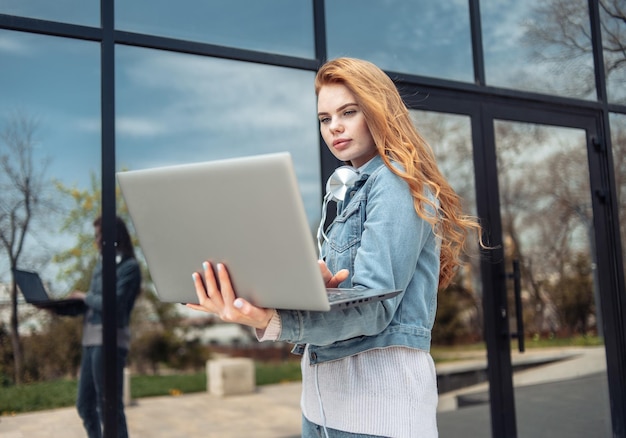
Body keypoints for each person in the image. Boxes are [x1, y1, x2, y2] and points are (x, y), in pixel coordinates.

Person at [186, 57, 482, 438]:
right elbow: (345, 294)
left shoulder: (395, 185)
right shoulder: (346, 193)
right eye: (325, 119)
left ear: (379, 112)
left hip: (376, 412)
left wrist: (272, 319)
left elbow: (374, 308)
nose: (334, 127)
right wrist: (309, 288)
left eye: (348, 112)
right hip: (324, 404)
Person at [67, 215, 142, 438]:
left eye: (100, 235)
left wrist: (84, 296)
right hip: (90, 340)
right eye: (95, 236)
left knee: (109, 408)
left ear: (114, 236)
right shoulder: (100, 266)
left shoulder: (129, 267)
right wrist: (61, 306)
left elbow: (111, 304)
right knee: (84, 405)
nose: (97, 240)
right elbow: (92, 304)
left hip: (110, 340)